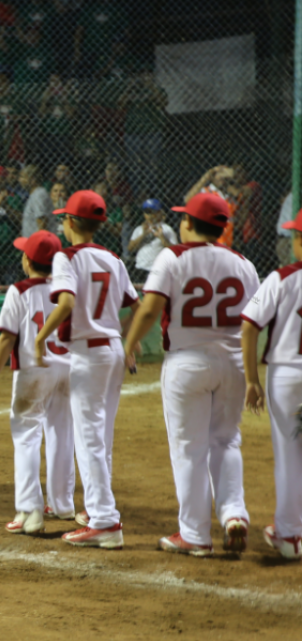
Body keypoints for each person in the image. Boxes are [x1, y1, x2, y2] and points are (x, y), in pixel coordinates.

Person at [123, 192, 256, 557]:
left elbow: (150, 310)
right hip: (233, 363)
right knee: (227, 441)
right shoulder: (244, 263)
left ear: (187, 224)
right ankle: (234, 513)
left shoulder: (172, 256)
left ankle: (195, 534)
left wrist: (129, 344)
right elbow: (255, 323)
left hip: (187, 361)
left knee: (189, 449)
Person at [35, 190, 139, 550]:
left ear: (70, 222)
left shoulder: (67, 257)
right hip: (112, 351)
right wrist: (133, 342)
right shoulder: (112, 258)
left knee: (89, 439)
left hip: (89, 355)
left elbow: (66, 303)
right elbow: (135, 304)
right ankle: (99, 511)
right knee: (101, 437)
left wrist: (40, 338)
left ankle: (105, 522)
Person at [0, 231, 74, 534]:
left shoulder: (19, 290)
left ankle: (29, 510)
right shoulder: (68, 288)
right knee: (62, 434)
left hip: (34, 370)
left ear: (27, 260)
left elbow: (6, 339)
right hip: (68, 369)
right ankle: (62, 503)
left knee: (27, 436)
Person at [241, 207, 302, 560]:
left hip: (287, 375)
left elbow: (249, 326)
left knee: (289, 455)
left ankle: (289, 533)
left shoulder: (281, 278)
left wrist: (251, 380)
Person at [126, 199, 177, 283]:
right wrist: (143, 234)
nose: (149, 215)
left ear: (159, 212)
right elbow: (130, 248)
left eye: (152, 212)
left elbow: (175, 251)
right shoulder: (139, 229)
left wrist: (162, 238)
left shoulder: (167, 229)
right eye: (147, 212)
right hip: (140, 269)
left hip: (158, 269)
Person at [19, 165, 54, 237]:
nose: (20, 180)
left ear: (32, 180)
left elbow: (42, 221)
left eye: (23, 177)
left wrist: (40, 243)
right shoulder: (34, 194)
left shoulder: (38, 195)